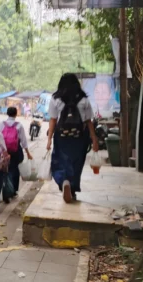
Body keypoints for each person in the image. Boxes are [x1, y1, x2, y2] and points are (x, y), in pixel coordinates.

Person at [47, 73, 99, 203]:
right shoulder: (83, 99)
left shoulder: (55, 99)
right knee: (76, 163)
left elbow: (53, 120)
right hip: (79, 138)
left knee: (59, 161)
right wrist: (94, 139)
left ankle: (64, 182)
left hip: (62, 137)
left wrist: (49, 139)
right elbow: (88, 121)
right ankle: (73, 189)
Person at [0, 107, 33, 201]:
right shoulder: (19, 125)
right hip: (15, 151)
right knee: (15, 170)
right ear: (16, 114)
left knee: (5, 171)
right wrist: (28, 153)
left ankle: (5, 191)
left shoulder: (1, 124)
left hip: (4, 151)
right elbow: (23, 141)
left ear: (7, 113)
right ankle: (13, 192)